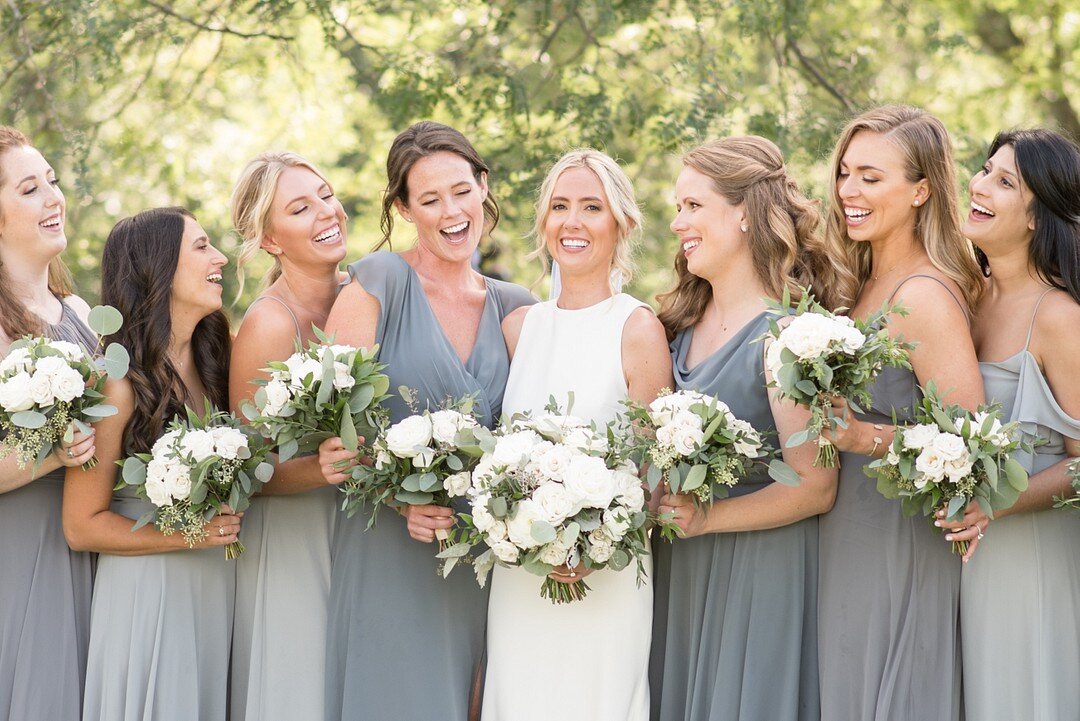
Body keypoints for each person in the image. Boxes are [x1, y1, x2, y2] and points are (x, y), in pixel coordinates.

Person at [317, 121, 534, 721]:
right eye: (430, 200)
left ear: (484, 186)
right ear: (403, 208)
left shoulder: (518, 307)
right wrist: (399, 501)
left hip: (488, 557)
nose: (452, 212)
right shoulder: (378, 283)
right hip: (391, 551)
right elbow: (332, 430)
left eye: (461, 191)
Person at [649, 136, 841, 721]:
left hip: (759, 569)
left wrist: (709, 518)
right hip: (684, 568)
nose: (678, 221)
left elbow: (816, 485)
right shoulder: (676, 324)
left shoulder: (789, 336)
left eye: (693, 206)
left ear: (743, 215)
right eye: (677, 207)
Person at [482, 149, 671, 720]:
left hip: (606, 583)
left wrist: (599, 545)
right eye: (560, 206)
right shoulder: (520, 328)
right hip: (520, 581)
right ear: (543, 223)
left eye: (592, 207)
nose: (573, 222)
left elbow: (655, 471)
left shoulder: (637, 328)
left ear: (622, 224)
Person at [815, 105, 985, 721]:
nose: (849, 191)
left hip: (897, 540)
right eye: (844, 172)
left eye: (871, 176)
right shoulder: (855, 287)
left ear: (920, 191)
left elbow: (970, 445)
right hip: (843, 535)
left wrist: (862, 436)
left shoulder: (923, 295)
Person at [63, 207, 241, 721]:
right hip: (148, 594)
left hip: (215, 590)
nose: (220, 258)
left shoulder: (216, 359)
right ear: (159, 269)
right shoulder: (116, 383)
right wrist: (190, 535)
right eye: (203, 247)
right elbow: (81, 526)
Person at [937, 128, 1080, 721]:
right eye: (984, 169)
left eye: (1005, 181)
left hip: (1031, 562)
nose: (980, 185)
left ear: (1036, 215)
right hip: (955, 562)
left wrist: (999, 504)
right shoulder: (967, 297)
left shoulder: (1059, 317)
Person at [228, 151, 349, 721]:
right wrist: (316, 468)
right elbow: (243, 469)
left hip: (365, 529)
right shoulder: (269, 324)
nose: (327, 212)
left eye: (325, 195)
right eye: (301, 208)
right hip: (296, 539)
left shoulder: (365, 293)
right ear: (271, 239)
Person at [0, 126, 97, 721]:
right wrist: (53, 455)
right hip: (19, 547)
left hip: (85, 541)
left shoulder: (81, 314)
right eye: (31, 189)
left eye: (53, 182)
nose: (53, 198)